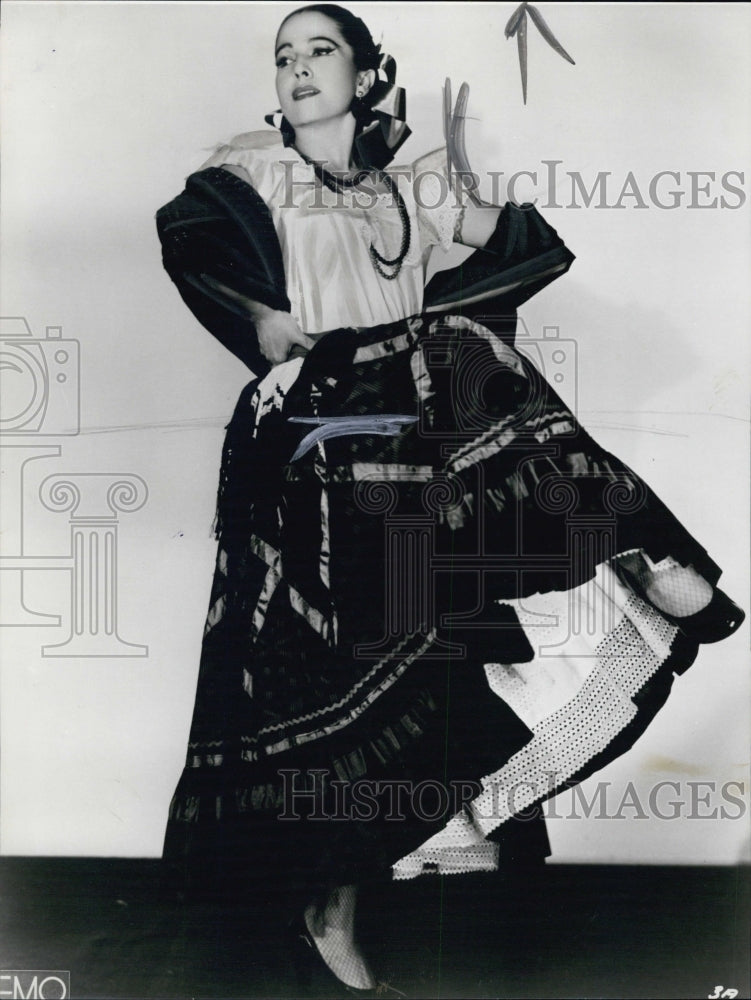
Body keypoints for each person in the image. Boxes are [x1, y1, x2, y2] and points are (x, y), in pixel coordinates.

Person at [156, 4, 744, 994]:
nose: (300, 68)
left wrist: (448, 189)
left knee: (421, 660)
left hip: (409, 447)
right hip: (307, 443)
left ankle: (632, 554)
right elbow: (196, 241)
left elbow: (525, 240)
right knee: (326, 673)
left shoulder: (407, 188)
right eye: (284, 55)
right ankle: (326, 907)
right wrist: (262, 320)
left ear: (369, 71)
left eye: (322, 50)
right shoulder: (253, 171)